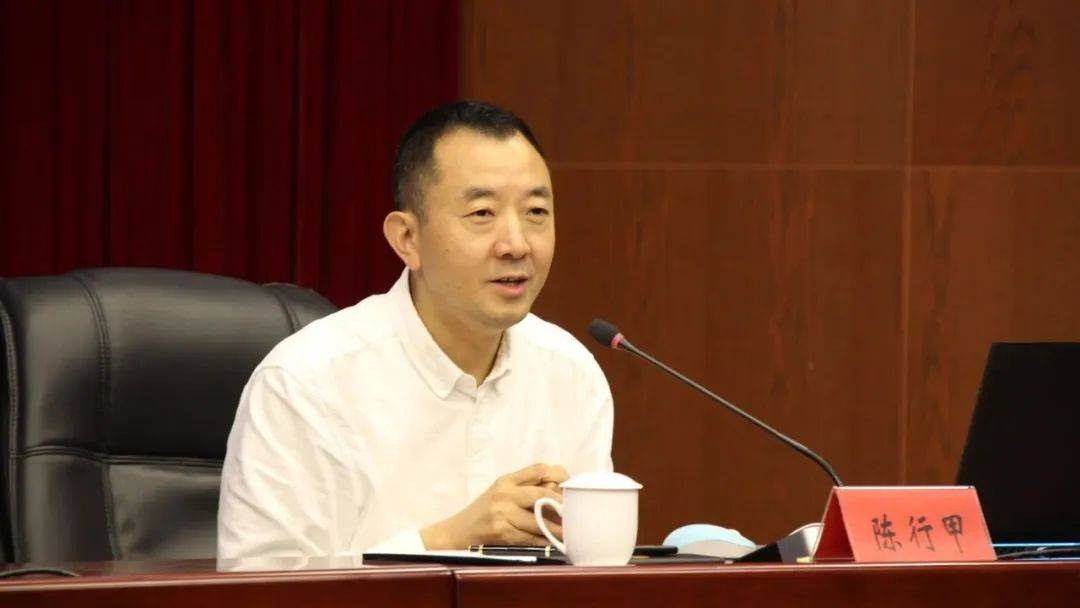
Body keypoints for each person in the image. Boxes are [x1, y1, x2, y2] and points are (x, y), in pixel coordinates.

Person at [217, 101, 614, 558]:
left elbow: (594, 571)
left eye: (536, 212)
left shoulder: (572, 375)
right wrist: (451, 539)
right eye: (482, 213)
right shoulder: (305, 384)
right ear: (407, 238)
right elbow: (262, 584)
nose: (517, 244)